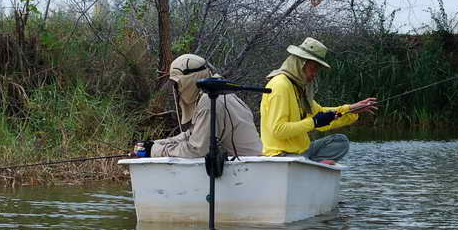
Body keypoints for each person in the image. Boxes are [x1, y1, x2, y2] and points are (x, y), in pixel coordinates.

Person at [260, 37, 377, 162]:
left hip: (301, 151)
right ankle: (314, 165)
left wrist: (352, 109)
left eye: (318, 69)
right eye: (313, 68)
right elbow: (278, 130)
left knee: (340, 141)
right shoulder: (280, 85)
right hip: (280, 155)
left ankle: (312, 164)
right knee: (329, 147)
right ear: (301, 64)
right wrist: (314, 122)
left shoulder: (298, 87)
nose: (315, 74)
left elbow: (319, 112)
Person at [133, 54, 262, 158]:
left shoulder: (211, 101)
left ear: (188, 81)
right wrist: (154, 144)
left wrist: (154, 151)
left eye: (178, 85)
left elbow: (196, 149)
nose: (177, 91)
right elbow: (191, 135)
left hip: (247, 170)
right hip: (249, 166)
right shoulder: (220, 95)